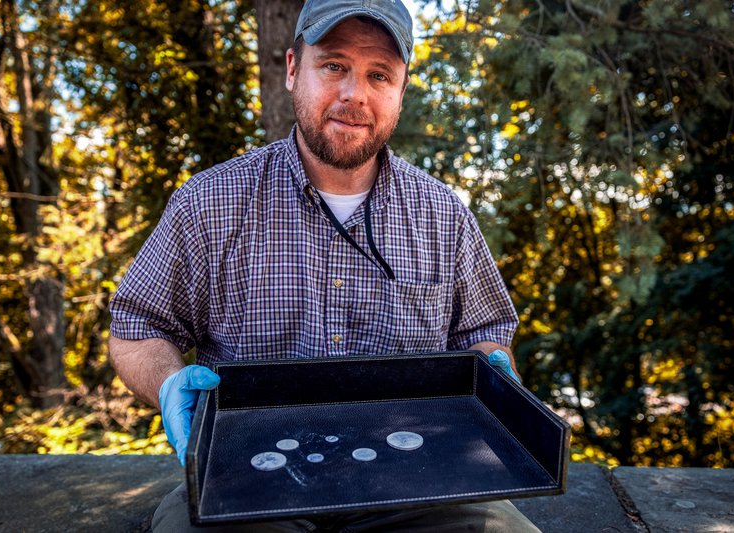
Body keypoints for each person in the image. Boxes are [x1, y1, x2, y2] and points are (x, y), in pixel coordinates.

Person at [109, 0, 538, 530]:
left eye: (379, 75)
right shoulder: (209, 203)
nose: (354, 94)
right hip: (248, 481)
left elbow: (484, 334)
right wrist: (168, 383)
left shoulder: (443, 214)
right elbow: (136, 330)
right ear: (293, 69)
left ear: (401, 92)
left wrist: (492, 368)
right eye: (333, 65)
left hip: (423, 482)